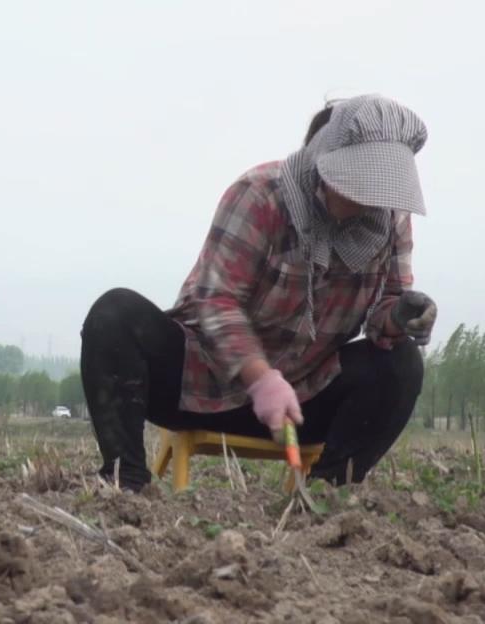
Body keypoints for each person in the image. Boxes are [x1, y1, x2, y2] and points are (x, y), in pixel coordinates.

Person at [80, 94, 437, 491]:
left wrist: (398, 316)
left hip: (300, 402)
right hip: (198, 385)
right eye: (354, 186)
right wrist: (260, 377)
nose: (363, 201)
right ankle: (126, 481)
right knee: (115, 314)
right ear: (324, 164)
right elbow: (215, 300)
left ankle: (327, 493)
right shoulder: (260, 195)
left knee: (400, 363)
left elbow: (384, 309)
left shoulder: (390, 220)